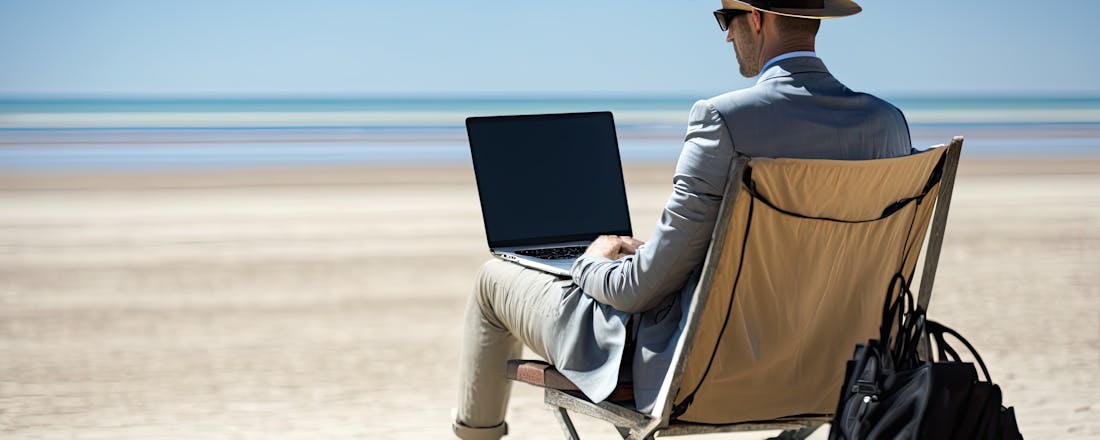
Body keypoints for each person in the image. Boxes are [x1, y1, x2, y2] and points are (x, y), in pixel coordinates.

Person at [453, 0, 912, 438]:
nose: (727, 36)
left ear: (755, 19)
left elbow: (638, 291)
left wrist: (590, 263)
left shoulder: (723, 120)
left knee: (492, 278)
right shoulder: (887, 125)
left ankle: (473, 436)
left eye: (725, 20)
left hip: (704, 375)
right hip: (840, 376)